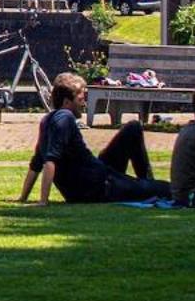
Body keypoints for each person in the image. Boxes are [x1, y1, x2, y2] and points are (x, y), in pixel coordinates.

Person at [17, 75, 171, 204]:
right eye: (80, 100)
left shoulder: (47, 120)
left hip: (98, 173)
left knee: (133, 128)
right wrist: (43, 201)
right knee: (166, 189)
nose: (84, 104)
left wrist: (22, 198)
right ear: (66, 102)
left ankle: (146, 183)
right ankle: (148, 186)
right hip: (100, 187)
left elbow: (36, 164)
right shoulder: (65, 118)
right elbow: (50, 162)